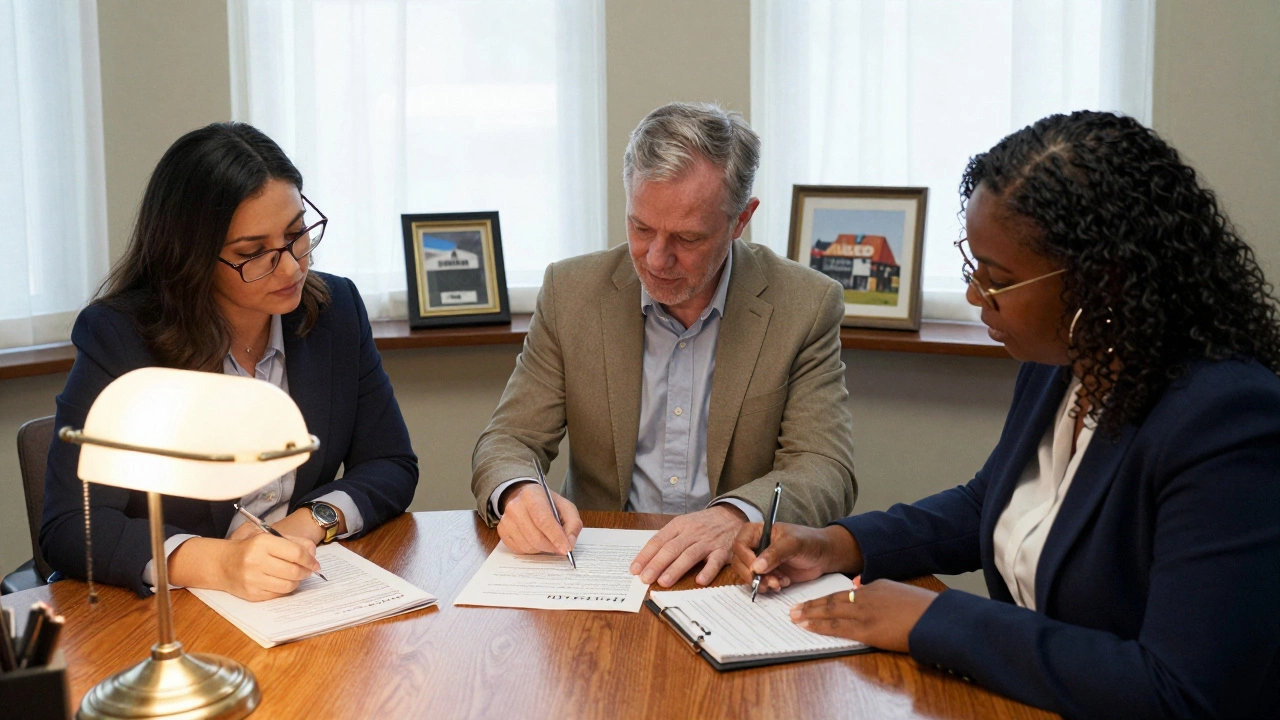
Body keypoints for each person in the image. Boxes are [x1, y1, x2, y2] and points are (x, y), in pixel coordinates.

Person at [733, 111, 1280, 719]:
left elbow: (1178, 689)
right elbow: (985, 505)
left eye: (997, 279)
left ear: (1103, 280)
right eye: (973, 267)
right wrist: (837, 544)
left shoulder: (1226, 422)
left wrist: (937, 619)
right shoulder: (1061, 363)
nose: (974, 296)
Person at [472, 102, 857, 588]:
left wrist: (736, 515)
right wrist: (517, 491)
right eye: (641, 228)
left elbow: (824, 466)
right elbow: (509, 440)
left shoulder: (804, 304)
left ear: (741, 220)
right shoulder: (572, 293)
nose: (656, 259)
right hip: (599, 566)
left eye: (688, 238)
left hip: (732, 573)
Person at [41, 122, 419, 601]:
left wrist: (308, 524)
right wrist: (215, 562)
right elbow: (72, 524)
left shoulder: (335, 310)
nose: (291, 266)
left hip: (304, 594)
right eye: (253, 252)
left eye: (297, 232)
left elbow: (390, 463)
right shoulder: (122, 337)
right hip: (171, 613)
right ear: (192, 255)